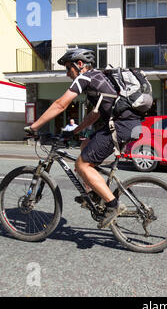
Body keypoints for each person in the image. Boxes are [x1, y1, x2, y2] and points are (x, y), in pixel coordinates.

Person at [24, 48, 141, 229]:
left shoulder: (85, 77)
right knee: (85, 144)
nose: (67, 73)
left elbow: (60, 104)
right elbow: (94, 115)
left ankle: (112, 205)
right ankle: (94, 192)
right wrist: (76, 131)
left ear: (80, 65)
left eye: (68, 68)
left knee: (82, 165)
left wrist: (34, 126)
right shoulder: (97, 78)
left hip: (120, 126)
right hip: (124, 124)